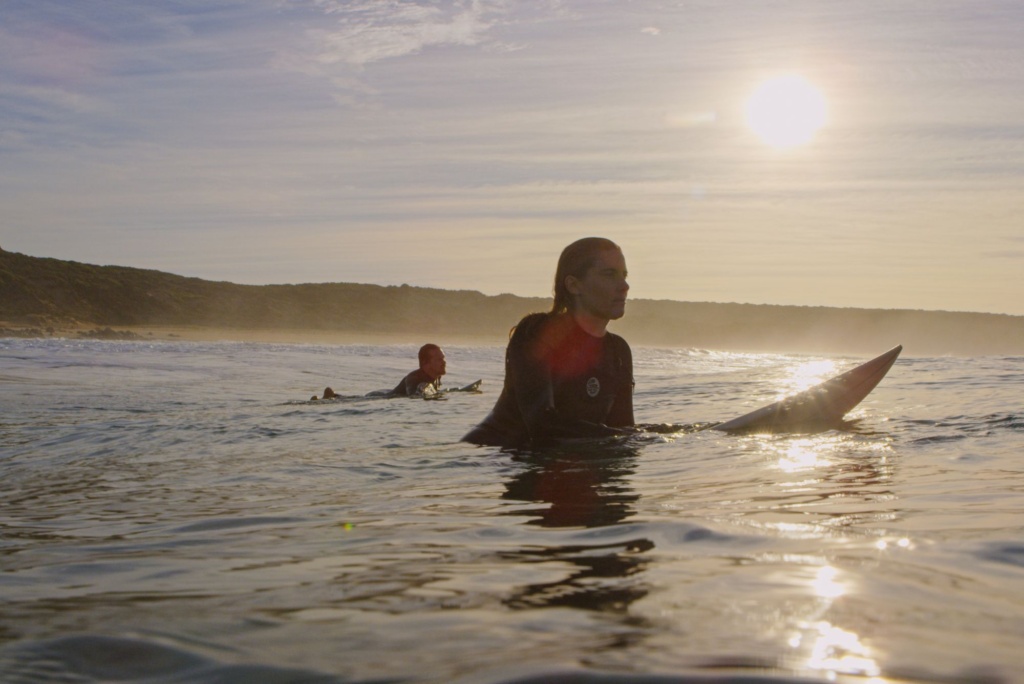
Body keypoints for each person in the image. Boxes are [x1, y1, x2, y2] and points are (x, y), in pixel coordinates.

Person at [462, 237, 635, 448]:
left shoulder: (618, 351)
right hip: (489, 458)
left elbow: (624, 432)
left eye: (624, 276)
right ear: (573, 285)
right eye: (609, 275)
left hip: (564, 465)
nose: (624, 286)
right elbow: (542, 425)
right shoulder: (537, 333)